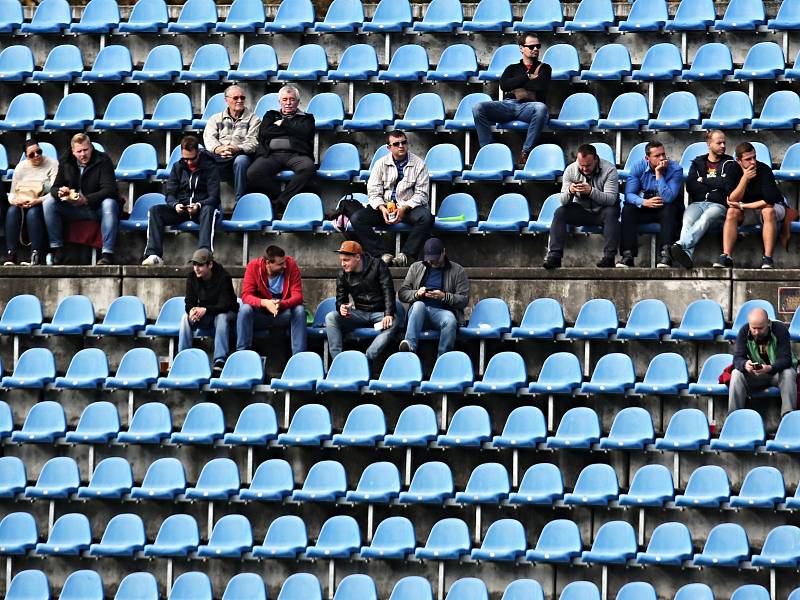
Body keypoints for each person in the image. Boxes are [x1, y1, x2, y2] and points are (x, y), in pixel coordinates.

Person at [353, 130, 433, 267]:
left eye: (404, 142)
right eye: (396, 144)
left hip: (408, 208)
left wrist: (404, 208)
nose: (401, 146)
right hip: (384, 207)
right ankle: (382, 255)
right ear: (389, 148)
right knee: (357, 218)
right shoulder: (380, 164)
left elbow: (422, 194)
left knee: (427, 217)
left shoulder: (419, 164)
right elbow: (373, 192)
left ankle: (406, 255)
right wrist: (382, 208)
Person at [472, 33, 552, 165]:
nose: (536, 49)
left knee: (541, 108)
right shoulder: (512, 68)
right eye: (531, 46)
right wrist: (527, 77)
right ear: (521, 48)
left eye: (538, 46)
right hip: (509, 105)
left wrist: (516, 86)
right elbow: (504, 85)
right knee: (478, 108)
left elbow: (539, 85)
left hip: (530, 106)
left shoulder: (545, 68)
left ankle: (526, 152)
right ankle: (488, 151)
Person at [142, 135, 220, 266]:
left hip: (201, 209)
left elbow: (214, 197)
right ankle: (154, 255)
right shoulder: (177, 167)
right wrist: (175, 205)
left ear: (198, 153)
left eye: (192, 159)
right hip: (181, 209)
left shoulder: (210, 167)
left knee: (209, 210)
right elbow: (169, 194)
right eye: (185, 159)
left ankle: (204, 254)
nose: (189, 162)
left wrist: (198, 205)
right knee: (155, 211)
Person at [43, 133, 120, 265]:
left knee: (109, 204)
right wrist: (61, 193)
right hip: (73, 208)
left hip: (95, 208)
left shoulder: (103, 160)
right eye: (79, 151)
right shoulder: (65, 161)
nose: (83, 154)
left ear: (91, 147)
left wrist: (86, 200)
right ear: (73, 152)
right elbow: (54, 188)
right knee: (49, 202)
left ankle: (107, 253)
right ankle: (57, 249)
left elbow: (110, 189)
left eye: (86, 150)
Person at [543, 144, 620, 269]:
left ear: (595, 159)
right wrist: (570, 191)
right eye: (581, 165)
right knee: (560, 212)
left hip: (603, 210)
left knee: (611, 212)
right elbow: (563, 201)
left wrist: (590, 191)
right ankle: (554, 256)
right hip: (581, 210)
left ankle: (609, 257)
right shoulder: (570, 170)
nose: (584, 169)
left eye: (588, 165)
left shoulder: (609, 170)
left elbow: (611, 199)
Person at [714, 142, 786, 269]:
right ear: (739, 160)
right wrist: (744, 179)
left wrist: (743, 206)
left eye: (754, 157)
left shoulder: (763, 169)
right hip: (748, 210)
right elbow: (732, 199)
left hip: (774, 207)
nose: (753, 162)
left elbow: (769, 200)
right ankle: (726, 256)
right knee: (731, 212)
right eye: (748, 159)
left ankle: (768, 258)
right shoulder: (732, 169)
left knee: (767, 211)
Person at [325, 240, 399, 362]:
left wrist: (388, 314)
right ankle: (337, 361)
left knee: (394, 321)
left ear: (358, 257)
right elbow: (340, 299)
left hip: (379, 314)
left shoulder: (378, 265)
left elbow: (388, 291)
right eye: (341, 260)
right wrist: (342, 307)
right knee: (331, 317)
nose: (343, 264)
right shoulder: (342, 274)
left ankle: (367, 358)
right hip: (360, 313)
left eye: (346, 260)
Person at [246, 85, 316, 214]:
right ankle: (282, 196)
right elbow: (265, 132)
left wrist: (283, 123)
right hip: (271, 155)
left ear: (298, 101)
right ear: (280, 102)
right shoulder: (270, 115)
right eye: (285, 100)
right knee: (252, 173)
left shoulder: (307, 118)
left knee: (309, 168)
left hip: (296, 155)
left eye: (292, 99)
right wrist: (293, 129)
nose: (288, 103)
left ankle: (280, 202)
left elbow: (305, 133)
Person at [670, 130, 732, 269]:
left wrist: (703, 181)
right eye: (719, 143)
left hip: (718, 205)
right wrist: (715, 184)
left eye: (724, 143)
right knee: (687, 221)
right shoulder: (698, 162)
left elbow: (727, 185)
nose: (723, 145)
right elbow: (691, 187)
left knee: (706, 218)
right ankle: (686, 256)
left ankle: (681, 244)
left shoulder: (729, 163)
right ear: (709, 144)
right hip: (697, 203)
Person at [398, 238, 469, 356]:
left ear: (444, 252)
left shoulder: (457, 271)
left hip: (441, 312)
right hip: (418, 312)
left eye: (435, 258)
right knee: (419, 305)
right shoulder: (416, 267)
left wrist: (444, 296)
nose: (432, 262)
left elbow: (463, 300)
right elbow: (402, 293)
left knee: (450, 320)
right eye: (429, 259)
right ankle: (409, 346)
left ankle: (442, 358)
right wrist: (417, 294)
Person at [617, 141, 683, 268]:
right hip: (646, 204)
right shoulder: (638, 167)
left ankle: (666, 255)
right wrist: (643, 202)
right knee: (628, 210)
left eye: (663, 154)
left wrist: (659, 174)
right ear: (647, 158)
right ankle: (628, 255)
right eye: (657, 156)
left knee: (670, 208)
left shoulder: (675, 169)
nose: (662, 158)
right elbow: (629, 194)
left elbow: (668, 198)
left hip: (666, 206)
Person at [236, 244, 307, 356]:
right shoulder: (254, 266)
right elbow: (246, 296)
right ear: (268, 263)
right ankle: (242, 354)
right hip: (261, 315)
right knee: (245, 309)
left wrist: (281, 304)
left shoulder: (290, 265)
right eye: (280, 264)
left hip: (283, 314)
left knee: (299, 310)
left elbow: (298, 296)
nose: (284, 266)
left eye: (284, 262)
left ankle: (299, 356)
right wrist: (265, 303)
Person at [179, 248, 238, 374]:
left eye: (200, 265)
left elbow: (225, 304)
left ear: (210, 264)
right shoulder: (192, 277)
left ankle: (219, 360)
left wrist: (205, 309)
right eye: (194, 264)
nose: (196, 268)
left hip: (226, 313)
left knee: (221, 317)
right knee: (185, 318)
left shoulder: (224, 277)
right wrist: (192, 311)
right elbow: (189, 301)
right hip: (207, 314)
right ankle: (183, 356)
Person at [729, 308, 796, 417]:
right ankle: (734, 417)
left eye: (760, 328)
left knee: (789, 373)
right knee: (736, 374)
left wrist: (770, 368)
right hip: (756, 376)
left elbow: (786, 359)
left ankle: (788, 417)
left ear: (768, 323)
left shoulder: (780, 329)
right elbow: (737, 359)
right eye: (753, 328)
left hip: (776, 375)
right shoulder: (744, 331)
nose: (756, 332)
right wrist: (745, 365)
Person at [4, 140, 58, 266]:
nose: (36, 155)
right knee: (12, 211)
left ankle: (36, 254)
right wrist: (15, 200)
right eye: (32, 154)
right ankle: (11, 253)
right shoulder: (21, 167)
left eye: (38, 152)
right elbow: (12, 193)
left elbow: (54, 191)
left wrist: (38, 200)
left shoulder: (52, 164)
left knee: (33, 213)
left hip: (41, 201)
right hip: (23, 201)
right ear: (26, 156)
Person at [203, 85, 260, 202]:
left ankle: (240, 201)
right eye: (236, 98)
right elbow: (209, 138)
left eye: (242, 98)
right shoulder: (215, 118)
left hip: (240, 154)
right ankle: (206, 202)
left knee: (241, 161)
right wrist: (218, 149)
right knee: (200, 156)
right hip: (219, 154)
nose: (240, 100)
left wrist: (236, 148)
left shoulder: (253, 119)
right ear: (226, 100)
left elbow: (253, 141)